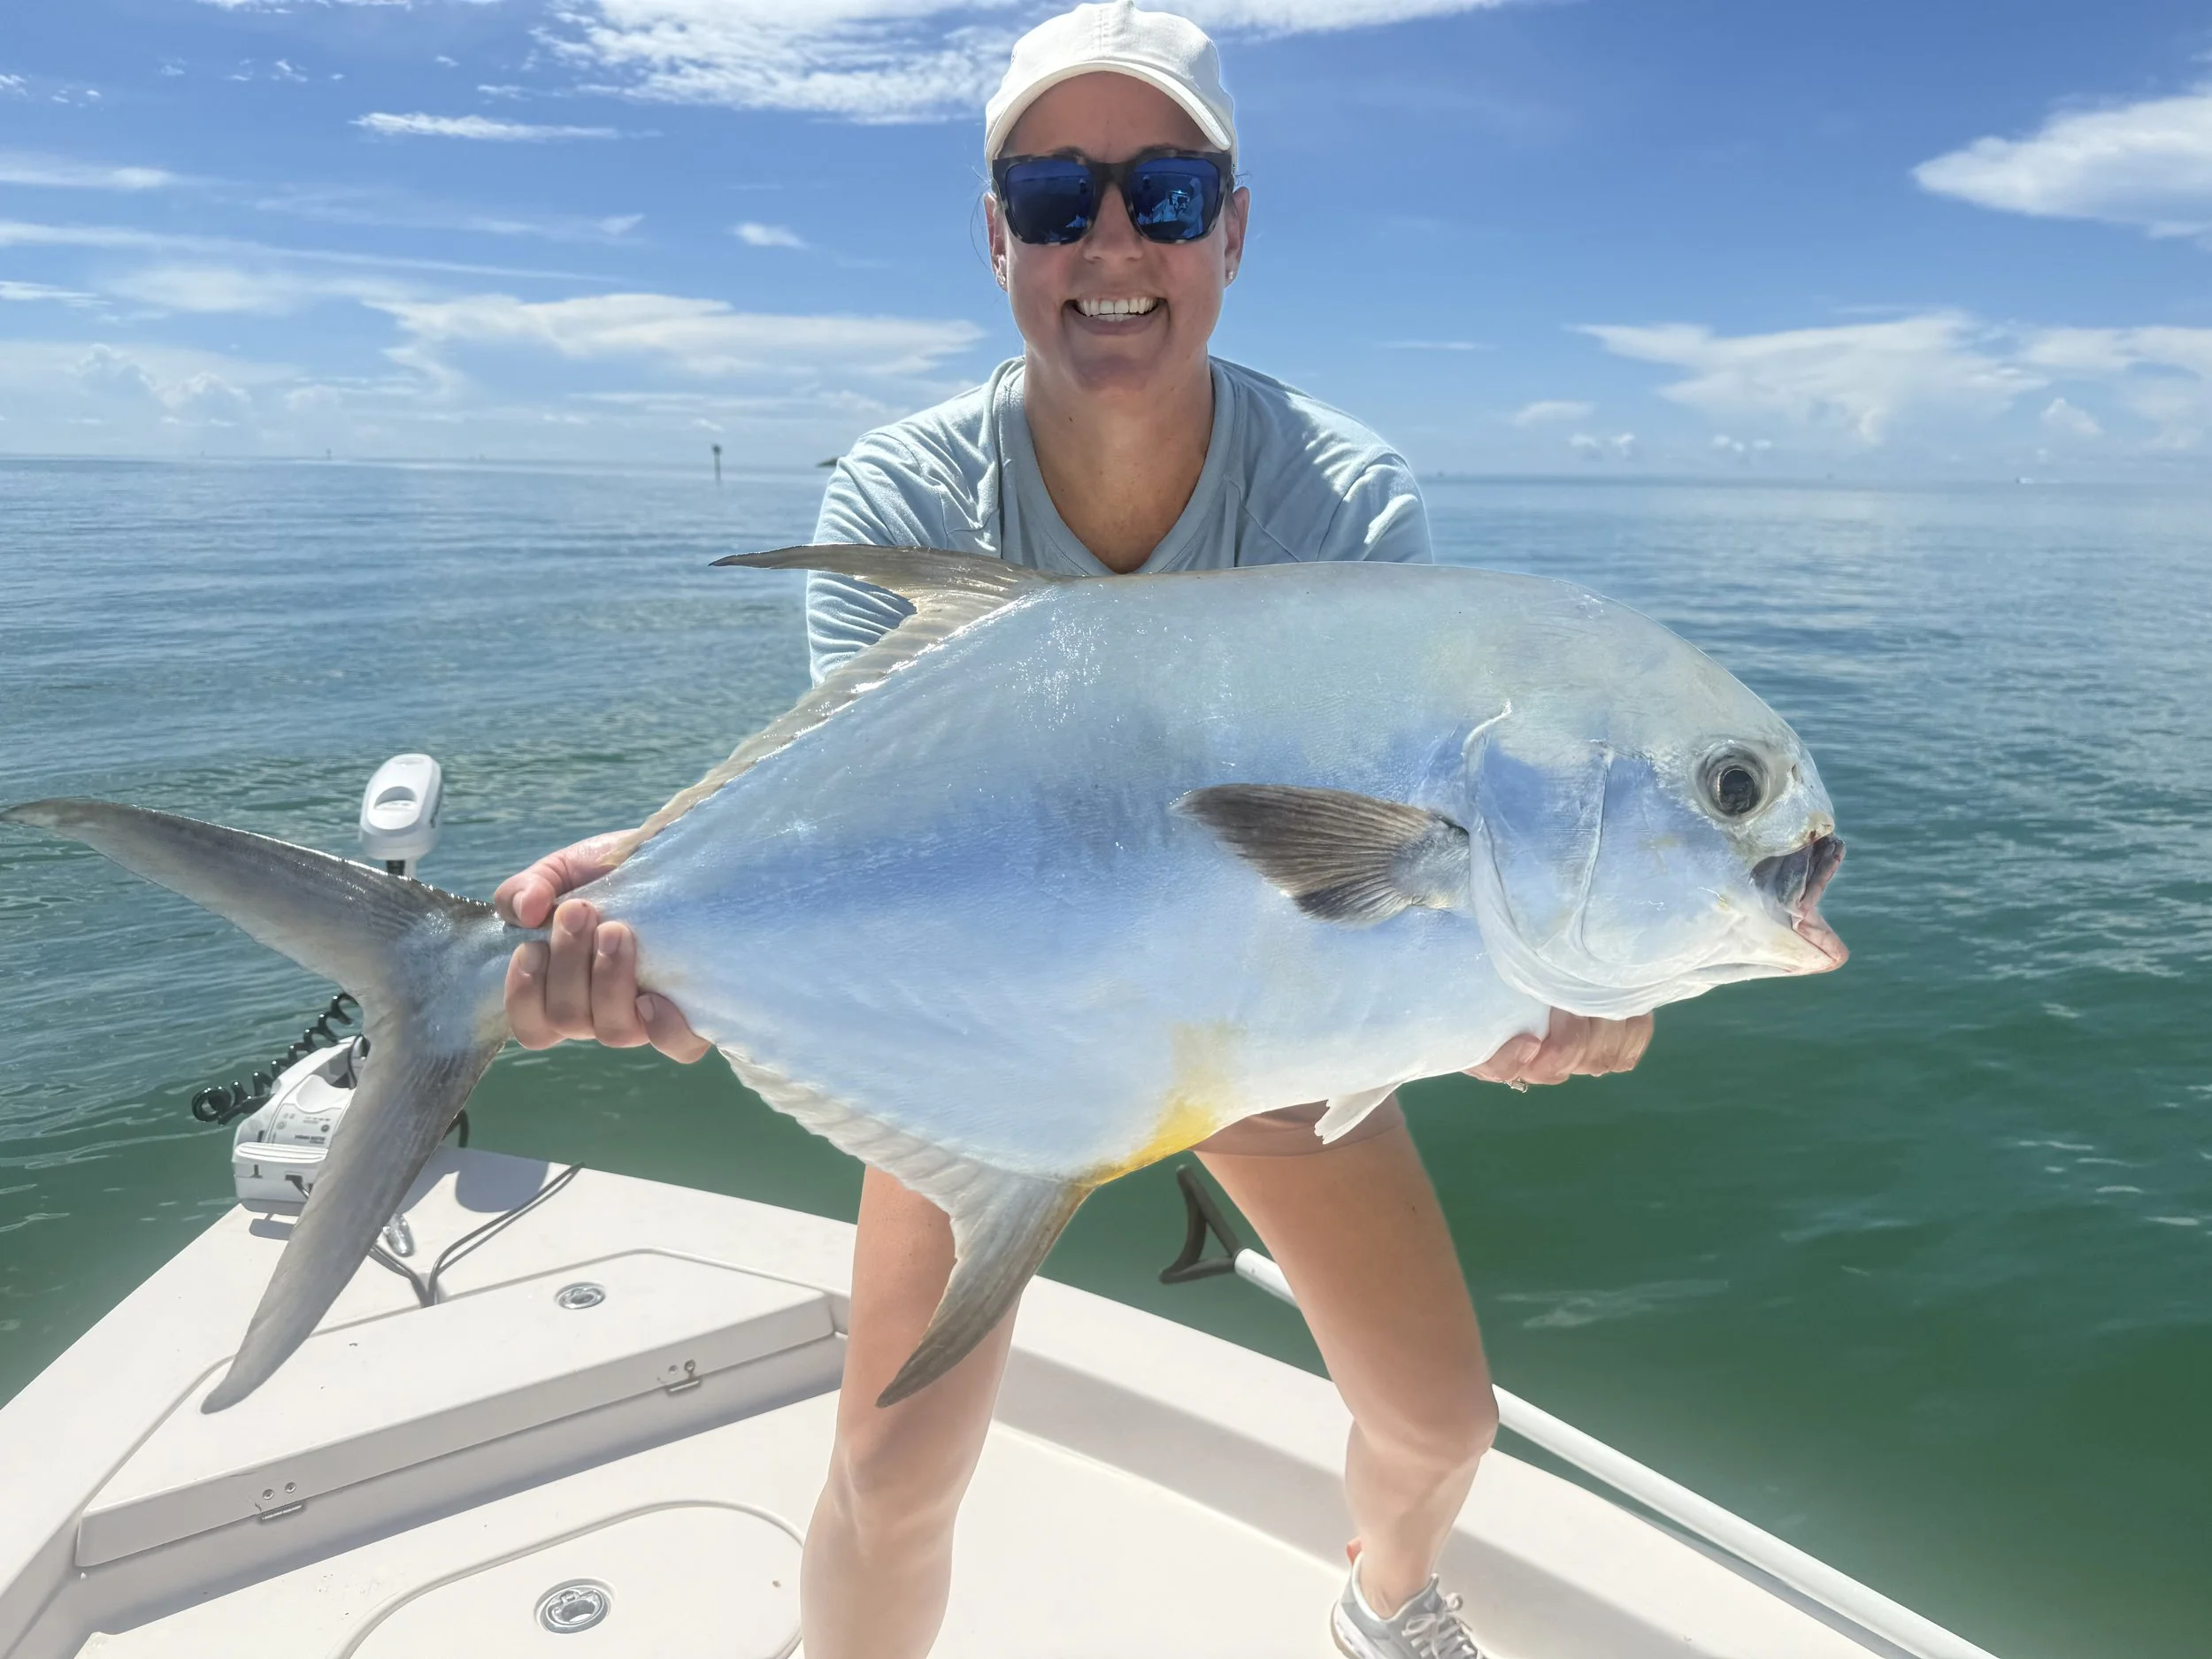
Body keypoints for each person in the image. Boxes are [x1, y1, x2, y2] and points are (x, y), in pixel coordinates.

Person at [495, 6, 1652, 1655]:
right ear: (999, 239)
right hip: (1005, 1044)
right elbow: (861, 830)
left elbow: (1384, 882)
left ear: (1233, 229)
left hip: (1268, 1041)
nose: (1113, 239)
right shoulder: (901, 493)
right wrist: (654, 903)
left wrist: (1542, 971)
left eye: (1166, 191)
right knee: (890, 1469)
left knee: (1445, 1424)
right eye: (1056, 194)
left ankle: (1389, 1603)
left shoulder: (1345, 498)